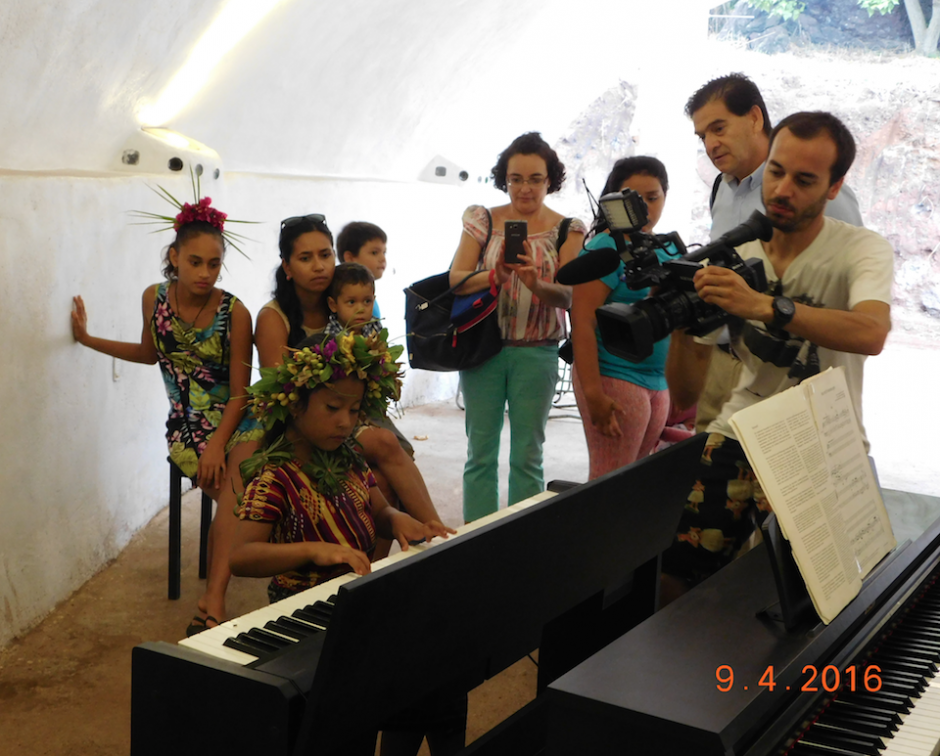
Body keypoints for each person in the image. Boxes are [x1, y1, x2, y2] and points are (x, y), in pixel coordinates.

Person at [661, 111, 893, 602]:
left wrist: (764, 306)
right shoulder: (732, 251)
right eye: (776, 170)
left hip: (824, 437)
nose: (783, 189)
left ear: (835, 188)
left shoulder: (861, 249)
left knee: (802, 598)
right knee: (674, 572)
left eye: (804, 180)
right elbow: (682, 395)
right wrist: (681, 325)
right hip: (739, 428)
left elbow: (872, 332)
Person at [230, 331, 459, 756]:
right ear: (295, 406)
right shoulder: (274, 478)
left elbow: (379, 510)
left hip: (354, 605)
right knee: (343, 720)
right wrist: (314, 549)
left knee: (436, 671)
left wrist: (399, 519)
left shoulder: (349, 457)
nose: (345, 422)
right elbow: (241, 557)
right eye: (333, 408)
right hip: (304, 619)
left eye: (354, 410)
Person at [71, 198, 263, 635]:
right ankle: (222, 590)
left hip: (238, 418)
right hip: (185, 424)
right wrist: (87, 340)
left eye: (214, 264)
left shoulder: (236, 313)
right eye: (195, 262)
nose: (204, 273)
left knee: (234, 485)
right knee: (237, 498)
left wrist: (218, 443)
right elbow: (148, 353)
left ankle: (211, 603)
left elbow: (240, 394)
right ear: (174, 256)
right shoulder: (153, 299)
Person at [686, 73, 865, 434]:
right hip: (721, 364)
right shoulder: (722, 188)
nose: (710, 144)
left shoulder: (816, 193)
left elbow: (849, 300)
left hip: (787, 372)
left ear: (754, 118)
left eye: (719, 128)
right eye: (702, 136)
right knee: (710, 480)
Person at [256, 215, 446, 552]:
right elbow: (282, 395)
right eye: (305, 258)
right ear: (287, 266)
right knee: (386, 444)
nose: (318, 266)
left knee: (384, 482)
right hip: (302, 425)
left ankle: (374, 573)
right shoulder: (275, 316)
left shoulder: (350, 301)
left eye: (325, 255)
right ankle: (439, 534)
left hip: (353, 414)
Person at [450, 132, 586, 522]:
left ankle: (519, 541)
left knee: (528, 454)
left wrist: (535, 284)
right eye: (516, 178)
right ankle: (474, 542)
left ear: (550, 180)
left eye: (535, 179)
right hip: (482, 348)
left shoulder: (567, 229)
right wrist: (495, 274)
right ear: (504, 178)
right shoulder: (483, 220)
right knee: (480, 452)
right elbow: (455, 279)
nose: (524, 188)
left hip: (537, 351)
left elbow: (571, 296)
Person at [570, 156, 677, 479]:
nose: (644, 207)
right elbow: (582, 322)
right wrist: (593, 395)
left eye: (653, 197)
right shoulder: (605, 248)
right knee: (608, 484)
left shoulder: (669, 247)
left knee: (634, 485)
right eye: (635, 198)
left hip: (658, 382)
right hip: (615, 376)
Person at [336, 221, 387, 321]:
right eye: (374, 252)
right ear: (350, 258)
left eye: (384, 252)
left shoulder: (369, 295)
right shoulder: (342, 296)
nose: (383, 259)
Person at [324, 262, 382, 338]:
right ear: (333, 305)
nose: (361, 309)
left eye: (367, 301)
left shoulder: (374, 325)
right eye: (351, 302)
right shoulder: (329, 336)